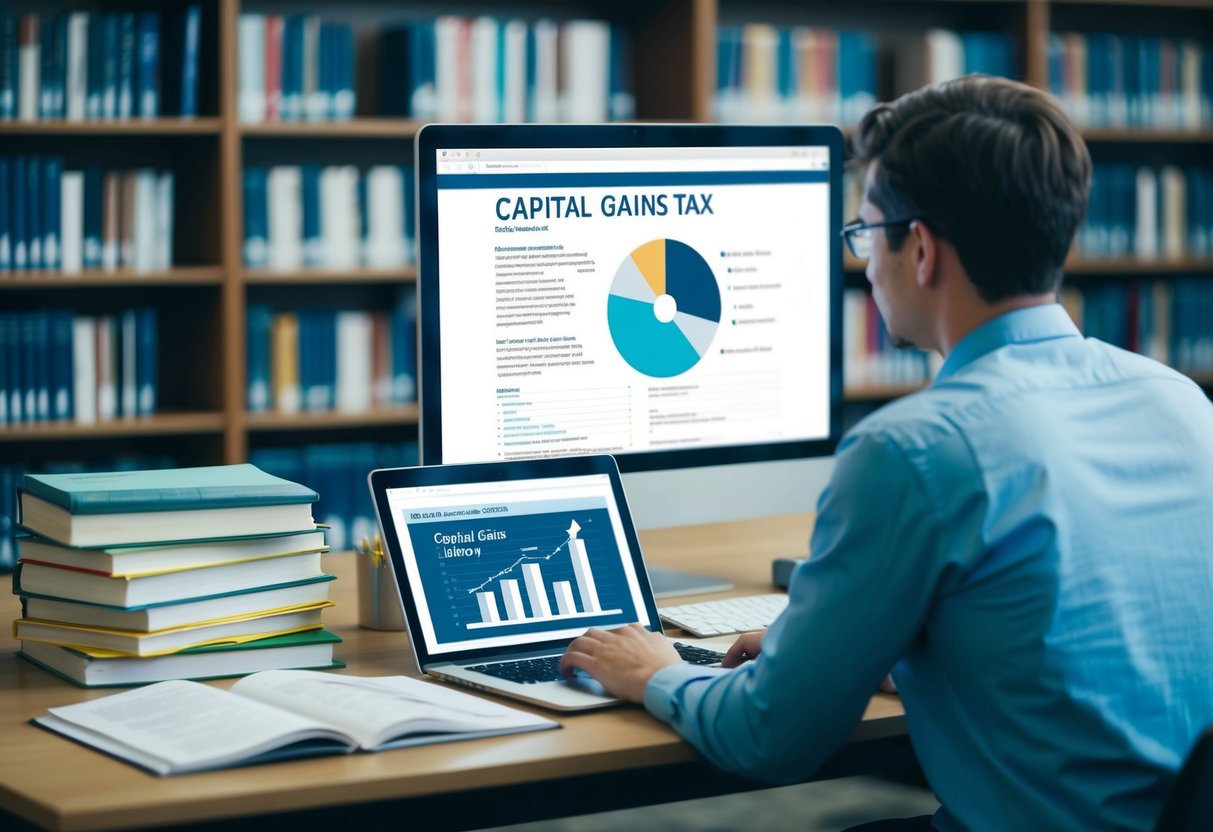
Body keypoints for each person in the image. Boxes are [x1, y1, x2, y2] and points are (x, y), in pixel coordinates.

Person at [559, 75, 1213, 831]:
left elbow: (767, 740)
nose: (864, 263)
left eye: (867, 232)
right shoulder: (1178, 401)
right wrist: (874, 646)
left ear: (923, 250)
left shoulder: (912, 451)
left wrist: (657, 672)